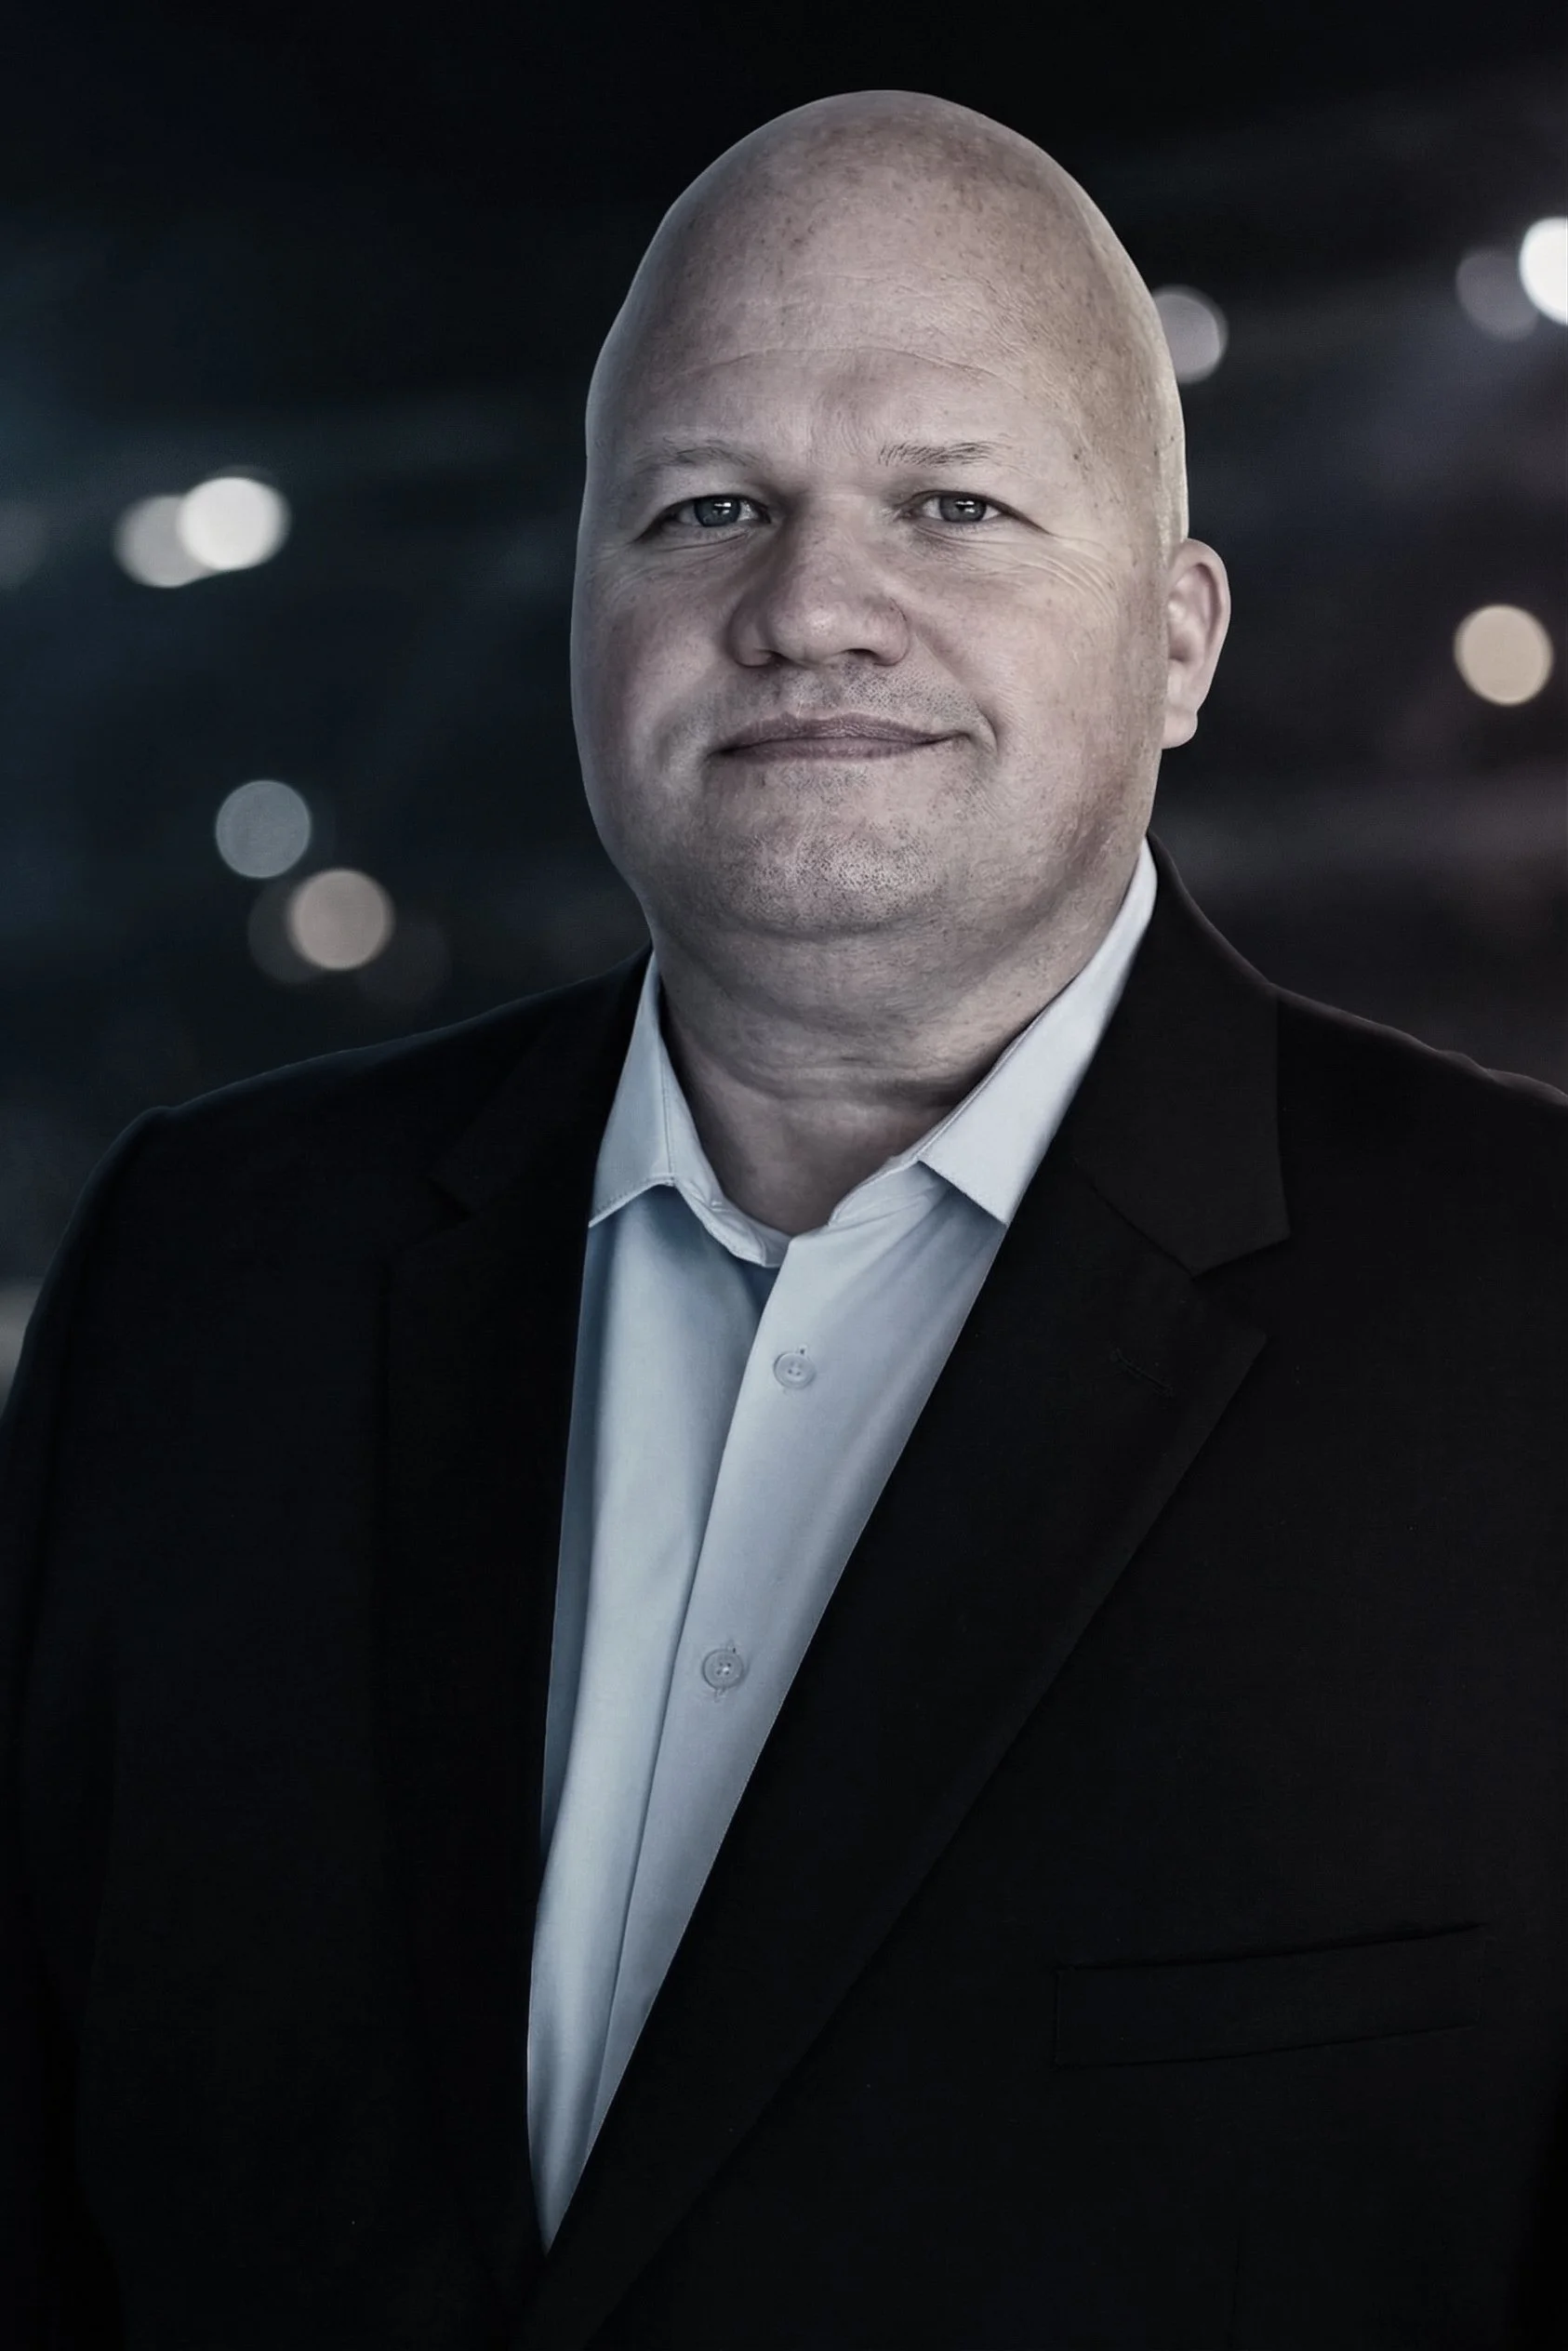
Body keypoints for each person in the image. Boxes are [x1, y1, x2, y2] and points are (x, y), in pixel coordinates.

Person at [1, 86, 1562, 2351]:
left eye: (955, 504)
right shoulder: (200, 1273)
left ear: (1182, 638)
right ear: (585, 613)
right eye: (707, 504)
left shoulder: (1535, 1318)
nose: (813, 603)